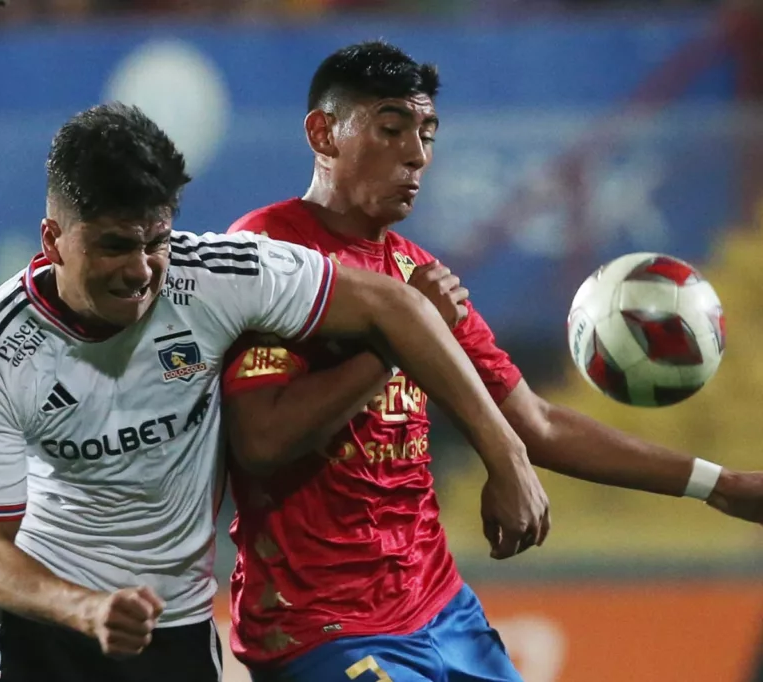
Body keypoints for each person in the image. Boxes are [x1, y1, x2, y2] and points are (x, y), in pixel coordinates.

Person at [0, 102, 551, 682]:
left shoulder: (214, 278)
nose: (141, 270)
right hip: (30, 618)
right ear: (54, 241)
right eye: (114, 245)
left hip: (168, 626)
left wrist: (507, 455)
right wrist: (85, 608)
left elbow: (400, 309)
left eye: (155, 242)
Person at [221, 41, 763, 682]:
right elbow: (261, 439)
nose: (416, 154)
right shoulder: (269, 253)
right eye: (391, 128)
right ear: (323, 132)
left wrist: (718, 483)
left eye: (426, 133)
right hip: (321, 626)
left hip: (440, 607)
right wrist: (401, 337)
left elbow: (538, 423)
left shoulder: (415, 272)